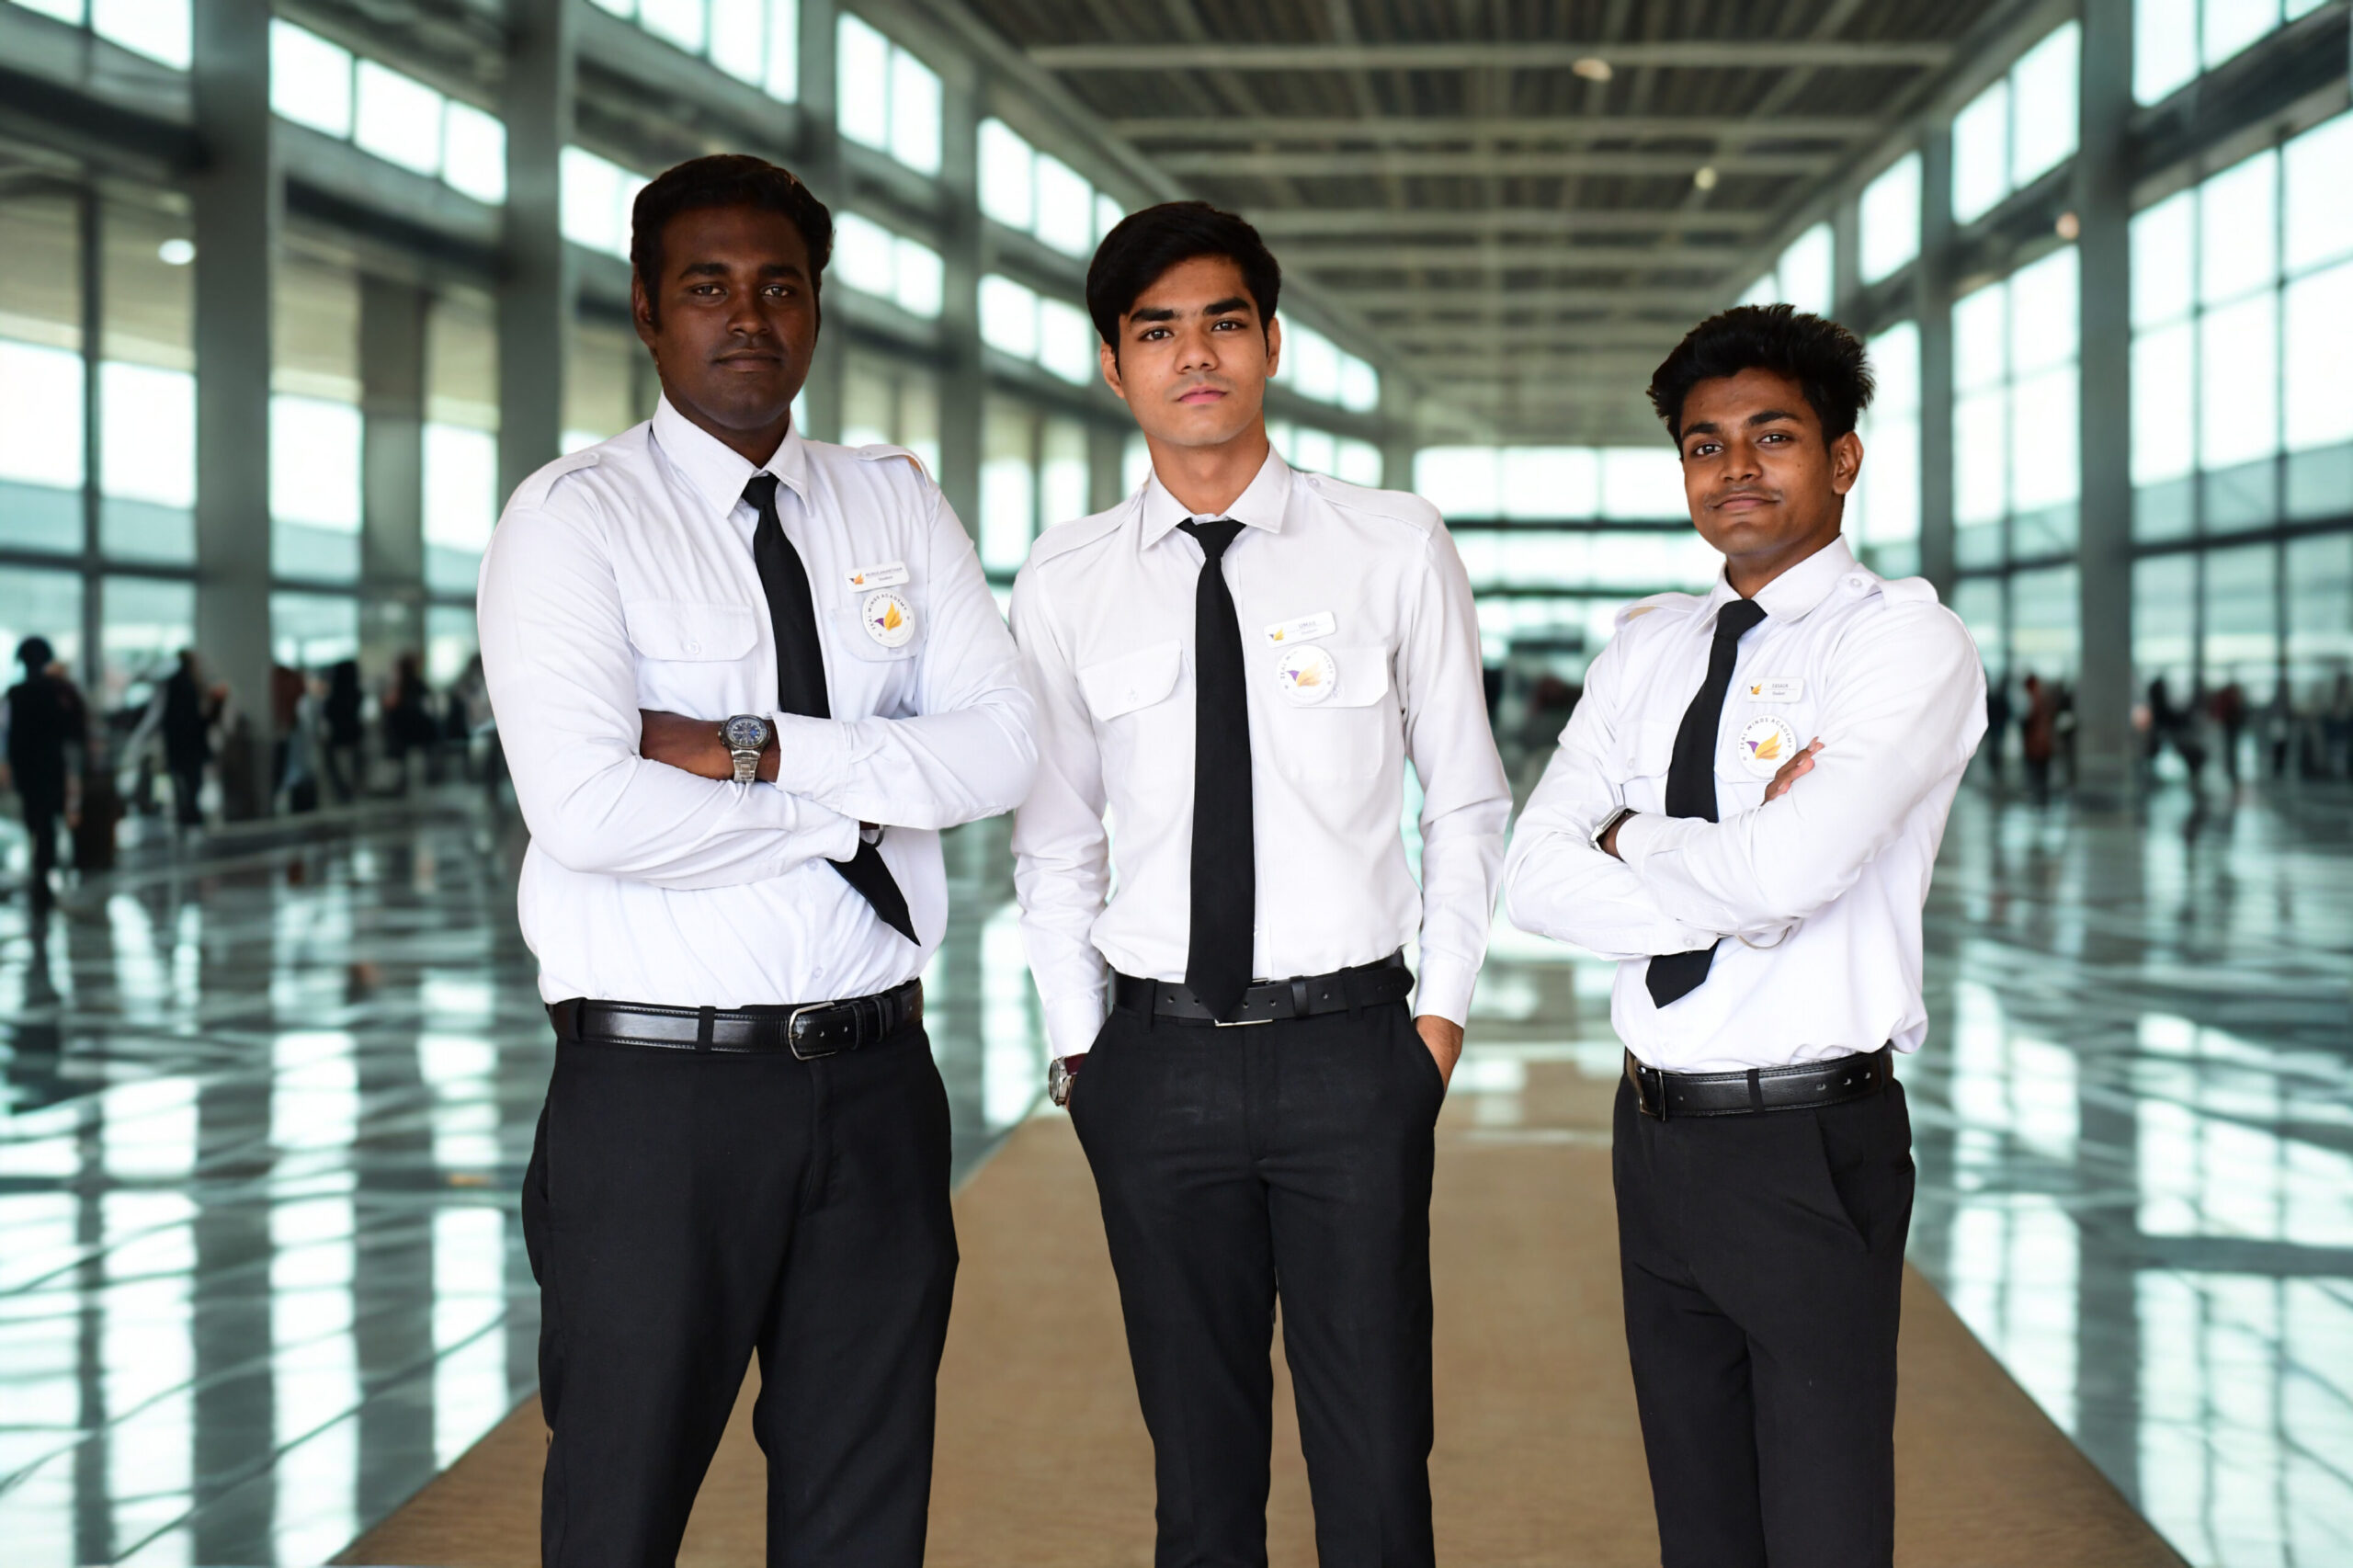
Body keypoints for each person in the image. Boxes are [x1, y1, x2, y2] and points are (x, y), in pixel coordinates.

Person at [475, 153, 1035, 1567]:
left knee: (862, 1508)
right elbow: (591, 809)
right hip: (661, 1098)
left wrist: (749, 748)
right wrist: (854, 810)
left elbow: (1003, 749)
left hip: (877, 1086)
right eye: (708, 286)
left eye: (779, 285)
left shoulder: (895, 504)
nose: (748, 315)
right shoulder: (572, 517)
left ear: (818, 310)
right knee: (620, 1504)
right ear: (649, 314)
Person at [1008, 201, 1511, 1568]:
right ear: (1116, 366)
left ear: (1273, 341)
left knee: (1375, 1463)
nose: (1196, 354)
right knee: (1199, 1475)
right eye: (1157, 330)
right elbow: (1055, 838)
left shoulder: (1391, 544)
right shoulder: (1063, 581)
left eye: (1224, 320)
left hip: (1355, 1053)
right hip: (1152, 1063)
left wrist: (1438, 1026)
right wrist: (1078, 1050)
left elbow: (1467, 796)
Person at [1502, 304, 1984, 1568]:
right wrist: (1720, 859)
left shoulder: (1902, 644)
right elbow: (1532, 879)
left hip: (1806, 1139)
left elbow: (1795, 870)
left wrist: (1633, 836)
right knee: (1701, 1516)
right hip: (1653, 1132)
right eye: (1705, 445)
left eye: (1773, 436)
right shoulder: (1649, 647)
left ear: (1844, 457)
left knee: (1821, 1520)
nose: (1737, 470)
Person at [3, 637, 87, 903]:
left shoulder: (16, 693)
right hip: (49, 769)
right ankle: (42, 876)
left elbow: (9, 736)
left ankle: (40, 875)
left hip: (29, 770)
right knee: (47, 824)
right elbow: (75, 728)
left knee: (35, 822)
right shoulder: (57, 690)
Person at [322, 659, 364, 801]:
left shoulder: (334, 696)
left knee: (333, 766)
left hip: (339, 737)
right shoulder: (357, 694)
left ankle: (343, 792)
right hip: (354, 736)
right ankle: (353, 790)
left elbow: (327, 716)